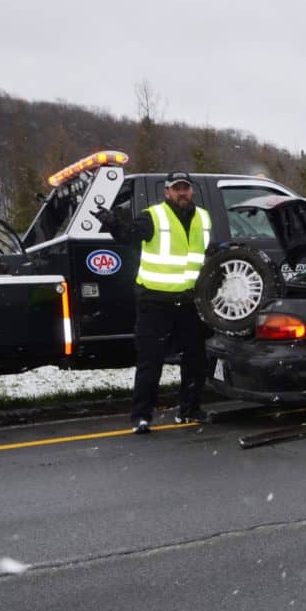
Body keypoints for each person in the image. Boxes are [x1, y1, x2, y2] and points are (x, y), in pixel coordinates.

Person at [93, 171, 212, 434]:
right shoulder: (153, 216)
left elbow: (207, 252)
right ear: (167, 192)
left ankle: (189, 410)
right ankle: (141, 416)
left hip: (189, 301)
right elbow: (128, 236)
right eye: (177, 188)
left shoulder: (203, 217)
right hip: (155, 302)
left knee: (196, 359)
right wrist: (112, 222)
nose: (182, 193)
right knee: (151, 359)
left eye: (186, 188)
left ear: (191, 191)